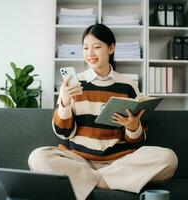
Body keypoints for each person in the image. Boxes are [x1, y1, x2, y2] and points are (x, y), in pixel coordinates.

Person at [28, 23, 178, 200]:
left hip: (118, 161)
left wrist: (133, 127)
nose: (90, 54)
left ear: (111, 48)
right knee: (37, 157)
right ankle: (108, 181)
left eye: (97, 47)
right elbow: (63, 133)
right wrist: (64, 102)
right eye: (85, 48)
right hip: (79, 161)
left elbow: (137, 140)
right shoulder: (75, 84)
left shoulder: (128, 85)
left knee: (168, 158)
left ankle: (87, 182)